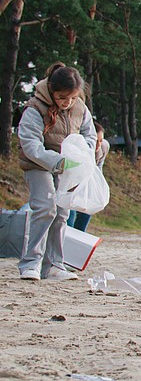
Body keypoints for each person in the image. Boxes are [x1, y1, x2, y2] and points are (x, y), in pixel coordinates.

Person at [17, 62, 97, 281]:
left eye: (72, 97)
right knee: (46, 208)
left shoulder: (80, 107)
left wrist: (84, 154)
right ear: (52, 91)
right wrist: (58, 161)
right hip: (38, 164)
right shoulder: (35, 108)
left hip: (67, 168)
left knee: (63, 212)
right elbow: (31, 146)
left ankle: (54, 265)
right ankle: (30, 263)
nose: (67, 102)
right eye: (62, 97)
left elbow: (90, 134)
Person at [68, 121, 109, 232]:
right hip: (72, 182)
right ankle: (67, 236)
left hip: (87, 181)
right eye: (96, 141)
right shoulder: (76, 149)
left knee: (88, 209)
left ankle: (80, 235)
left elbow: (98, 170)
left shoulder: (104, 147)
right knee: (70, 211)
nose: (98, 144)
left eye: (100, 140)